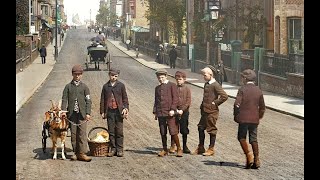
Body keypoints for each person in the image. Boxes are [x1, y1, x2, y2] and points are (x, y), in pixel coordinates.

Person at [192, 65, 228, 156]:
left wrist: (215, 103)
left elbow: (224, 96)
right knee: (200, 127)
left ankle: (211, 149)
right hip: (204, 111)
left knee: (211, 129)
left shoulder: (216, 85)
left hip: (212, 112)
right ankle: (200, 147)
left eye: (205, 75)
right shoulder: (207, 84)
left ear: (211, 74)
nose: (203, 76)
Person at [233, 69, 265, 169]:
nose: (242, 79)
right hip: (254, 119)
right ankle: (257, 159)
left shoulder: (242, 89)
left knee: (241, 137)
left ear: (245, 79)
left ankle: (249, 155)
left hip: (243, 118)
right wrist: (258, 116)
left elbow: (237, 104)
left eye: (242, 77)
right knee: (253, 139)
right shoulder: (258, 90)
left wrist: (236, 115)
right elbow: (262, 107)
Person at [61, 64, 92, 162]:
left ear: (81, 75)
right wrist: (63, 111)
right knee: (73, 134)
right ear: (72, 74)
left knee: (82, 134)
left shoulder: (85, 87)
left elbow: (88, 101)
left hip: (82, 114)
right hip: (72, 114)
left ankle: (82, 153)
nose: (77, 76)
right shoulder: (68, 87)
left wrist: (88, 113)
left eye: (79, 74)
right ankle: (75, 153)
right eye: (75, 74)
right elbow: (64, 99)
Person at [153, 69, 183, 157]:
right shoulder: (157, 88)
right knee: (162, 131)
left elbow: (176, 99)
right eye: (159, 78)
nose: (160, 79)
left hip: (170, 113)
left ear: (166, 77)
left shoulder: (172, 85)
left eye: (162, 77)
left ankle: (179, 148)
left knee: (173, 131)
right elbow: (156, 101)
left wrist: (172, 109)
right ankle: (164, 149)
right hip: (161, 113)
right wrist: (155, 111)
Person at [100, 68, 129, 157]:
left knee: (119, 131)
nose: (114, 77)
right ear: (109, 75)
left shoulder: (121, 86)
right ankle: (113, 149)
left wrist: (125, 108)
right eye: (112, 75)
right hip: (110, 112)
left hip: (119, 112)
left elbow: (125, 99)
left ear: (117, 76)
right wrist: (102, 111)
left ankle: (120, 149)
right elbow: (102, 100)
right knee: (111, 131)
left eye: (116, 76)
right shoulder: (105, 86)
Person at [169, 71, 192, 154]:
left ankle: (185, 146)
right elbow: (171, 100)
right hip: (175, 111)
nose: (178, 81)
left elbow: (188, 101)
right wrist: (174, 109)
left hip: (184, 112)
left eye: (180, 79)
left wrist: (182, 110)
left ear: (184, 80)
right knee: (174, 128)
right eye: (177, 79)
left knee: (184, 129)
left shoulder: (187, 89)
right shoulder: (173, 88)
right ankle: (173, 145)